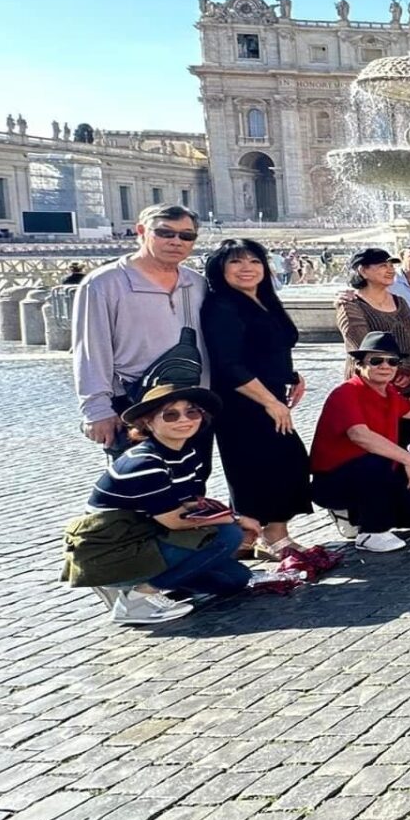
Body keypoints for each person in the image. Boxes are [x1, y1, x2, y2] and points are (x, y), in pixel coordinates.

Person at [68, 383, 248, 623]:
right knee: (227, 536)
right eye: (170, 414)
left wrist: (227, 515)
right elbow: (174, 521)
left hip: (145, 534)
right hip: (109, 550)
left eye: (192, 412)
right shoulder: (143, 462)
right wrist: (236, 520)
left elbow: (189, 504)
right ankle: (135, 598)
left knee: (234, 579)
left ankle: (148, 584)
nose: (184, 419)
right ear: (148, 423)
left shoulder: (187, 453)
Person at [200, 239, 312, 556]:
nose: (247, 268)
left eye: (254, 261)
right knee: (255, 466)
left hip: (268, 394)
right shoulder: (222, 305)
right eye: (236, 262)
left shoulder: (263, 300)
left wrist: (291, 376)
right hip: (241, 402)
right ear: (220, 269)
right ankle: (260, 536)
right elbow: (228, 363)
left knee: (285, 462)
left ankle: (266, 534)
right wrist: (270, 401)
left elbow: (268, 348)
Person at [72, 204, 208, 456]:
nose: (176, 241)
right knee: (140, 486)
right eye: (165, 233)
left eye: (186, 235)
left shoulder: (197, 283)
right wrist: (97, 410)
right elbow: (91, 349)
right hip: (133, 404)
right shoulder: (103, 283)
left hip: (192, 405)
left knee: (193, 485)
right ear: (141, 231)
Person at [309, 332, 410, 552]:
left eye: (392, 361)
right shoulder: (346, 392)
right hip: (334, 480)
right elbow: (360, 435)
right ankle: (371, 532)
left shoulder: (389, 392)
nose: (385, 366)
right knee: (374, 463)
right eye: (376, 360)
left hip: (376, 474)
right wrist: (409, 459)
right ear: (360, 365)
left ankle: (356, 514)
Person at [337, 248, 410, 386]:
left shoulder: (400, 302)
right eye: (383, 266)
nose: (391, 270)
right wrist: (405, 369)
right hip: (369, 384)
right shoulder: (350, 305)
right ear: (363, 271)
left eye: (391, 265)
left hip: (408, 383)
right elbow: (362, 349)